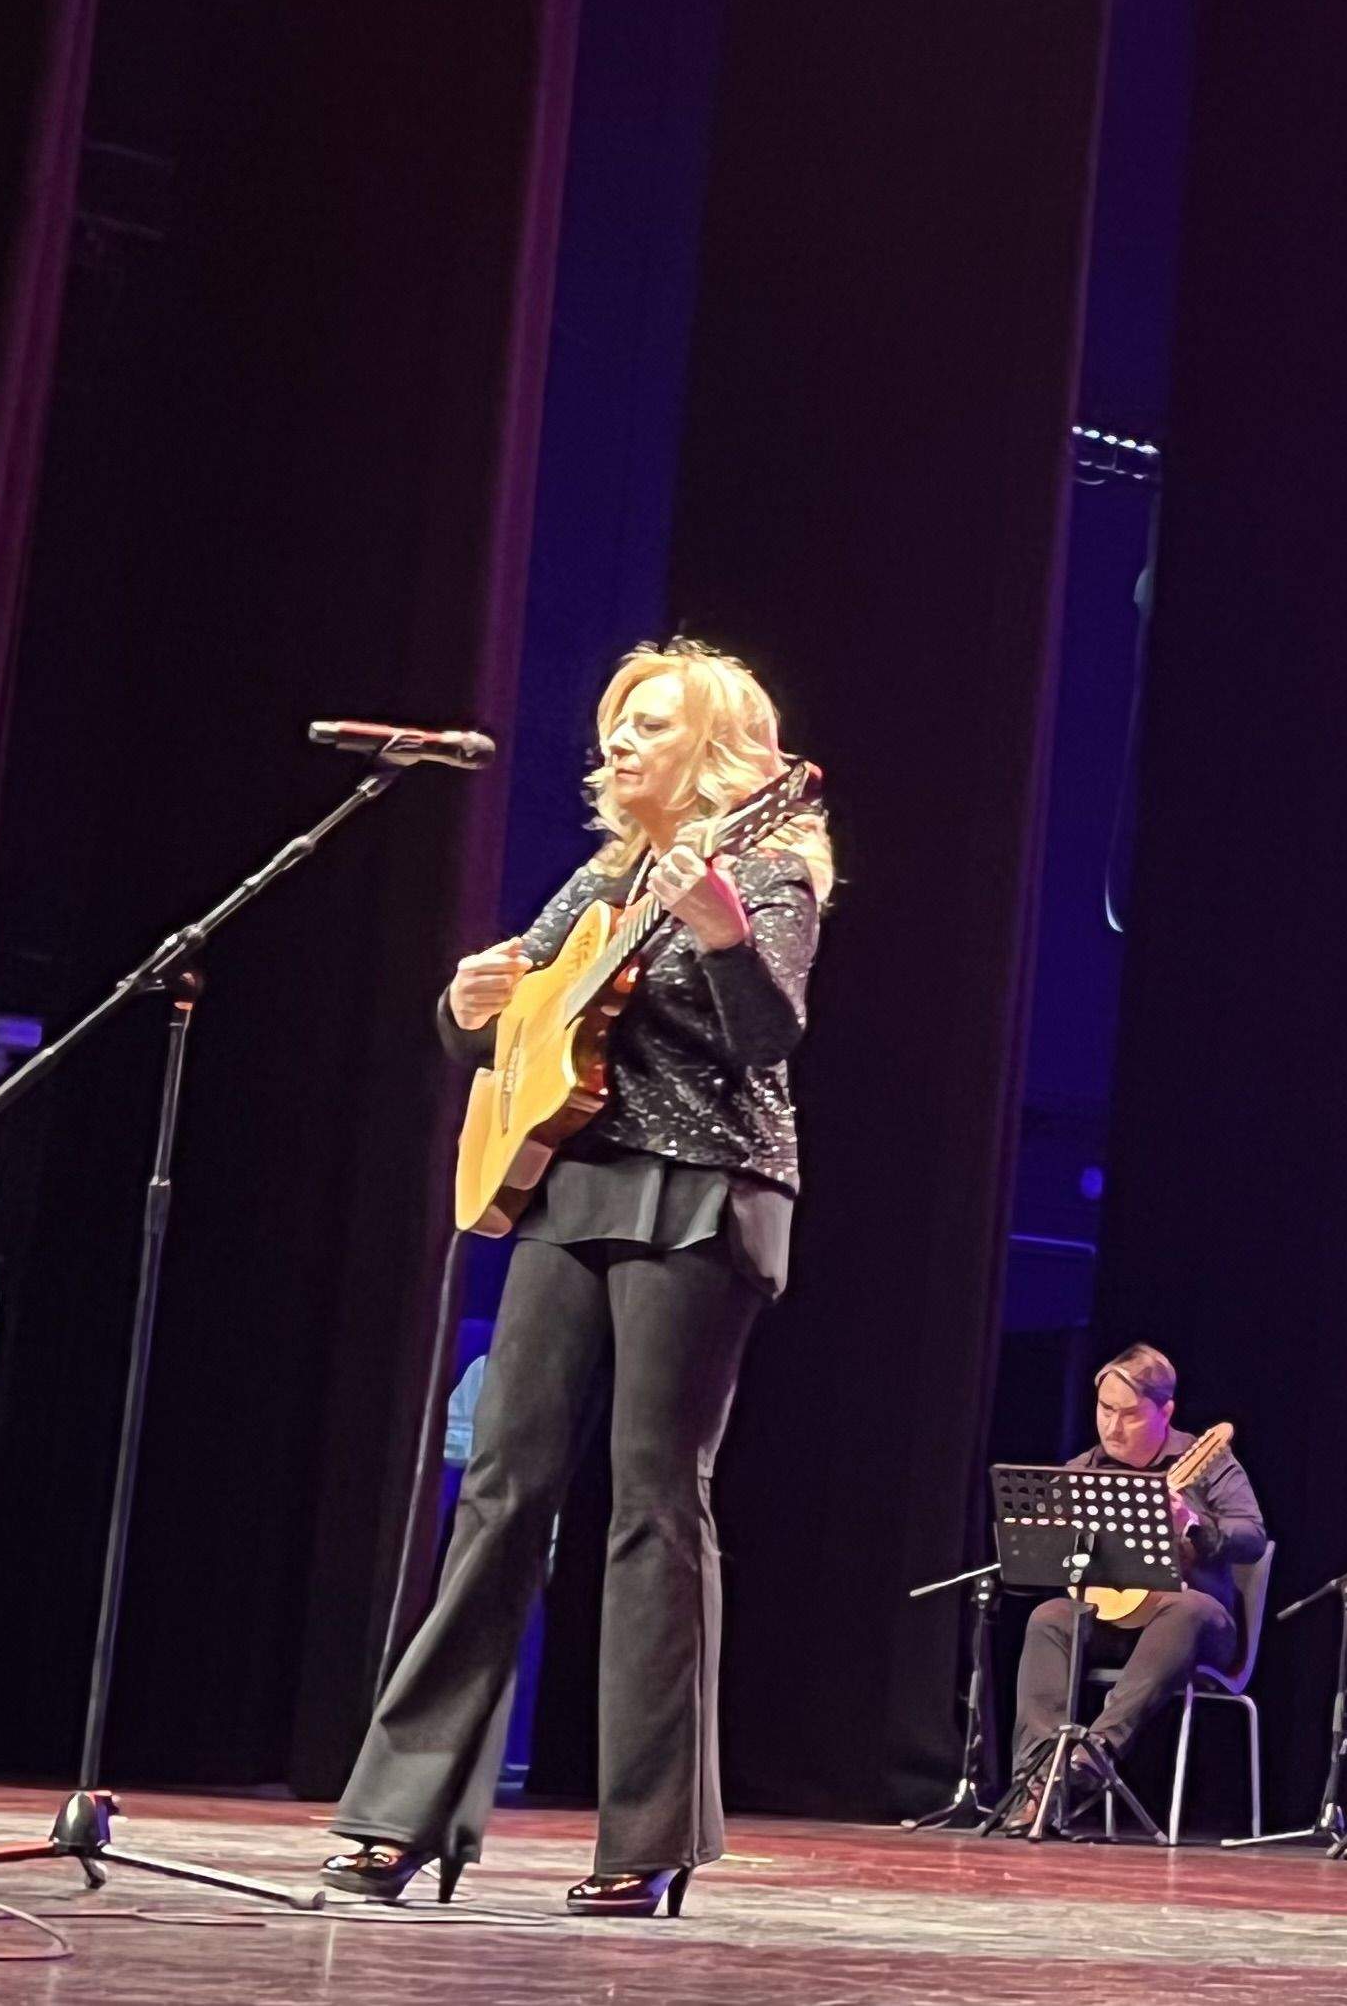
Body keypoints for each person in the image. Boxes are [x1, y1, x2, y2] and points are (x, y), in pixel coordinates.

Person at [323, 643, 828, 1917]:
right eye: (614, 723)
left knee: (655, 1500)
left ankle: (647, 1842)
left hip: (705, 1188)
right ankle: (403, 1815)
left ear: (714, 748)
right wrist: (467, 999)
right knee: (501, 1487)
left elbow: (767, 1040)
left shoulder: (766, 866)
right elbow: (512, 1022)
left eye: (647, 725)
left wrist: (720, 937)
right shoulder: (599, 877)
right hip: (571, 1184)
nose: (616, 744)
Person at [998, 1344, 1269, 1831]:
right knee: (1050, 1617)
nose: (1112, 1427)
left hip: (1192, 1626)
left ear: (1165, 1411)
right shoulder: (1085, 1470)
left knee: (1184, 1608)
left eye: (1128, 1414)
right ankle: (1039, 1778)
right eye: (1104, 1410)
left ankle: (1092, 1757)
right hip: (1108, 1621)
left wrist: (1195, 1525)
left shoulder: (1205, 1462)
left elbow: (1252, 1537)